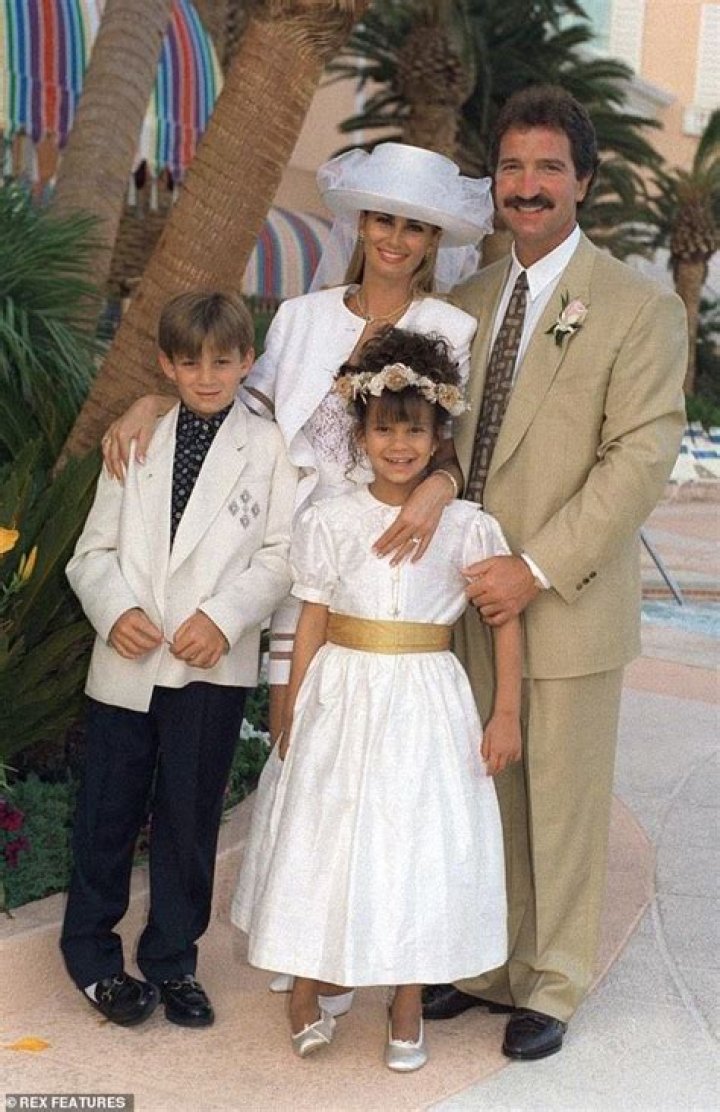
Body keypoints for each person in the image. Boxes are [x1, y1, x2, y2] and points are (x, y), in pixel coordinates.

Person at [418, 86, 688, 1060]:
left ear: (585, 180)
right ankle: (490, 962)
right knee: (488, 790)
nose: (526, 187)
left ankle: (557, 978)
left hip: (560, 599)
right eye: (512, 167)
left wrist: (534, 567)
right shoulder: (468, 301)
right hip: (467, 601)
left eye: (547, 169)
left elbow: (639, 459)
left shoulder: (637, 307)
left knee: (564, 799)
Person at [99, 142, 494, 739]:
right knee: (295, 728)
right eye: (384, 220)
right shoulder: (300, 316)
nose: (396, 238)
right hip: (290, 548)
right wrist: (150, 402)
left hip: (388, 547)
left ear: (434, 240)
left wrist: (440, 484)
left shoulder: (451, 329)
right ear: (361, 224)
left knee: (371, 725)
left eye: (415, 227)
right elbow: (235, 406)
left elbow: (450, 439)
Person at [231, 327, 522, 1072]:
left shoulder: (465, 524)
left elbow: (505, 619)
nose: (399, 445)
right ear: (359, 433)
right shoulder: (331, 519)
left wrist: (505, 714)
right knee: (326, 835)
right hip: (342, 692)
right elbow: (314, 616)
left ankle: (406, 997)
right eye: (384, 429)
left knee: (416, 844)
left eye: (415, 432)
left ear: (437, 438)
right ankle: (309, 981)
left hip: (426, 701)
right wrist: (289, 707)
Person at [60, 291, 297, 1029]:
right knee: (107, 811)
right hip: (127, 664)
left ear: (246, 362)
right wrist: (117, 611)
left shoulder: (267, 447)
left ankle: (172, 960)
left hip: (208, 669)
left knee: (189, 819)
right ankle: (93, 959)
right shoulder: (139, 438)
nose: (204, 376)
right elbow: (90, 551)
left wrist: (225, 621)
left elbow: (282, 555)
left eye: (221, 362)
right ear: (166, 364)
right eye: (188, 362)